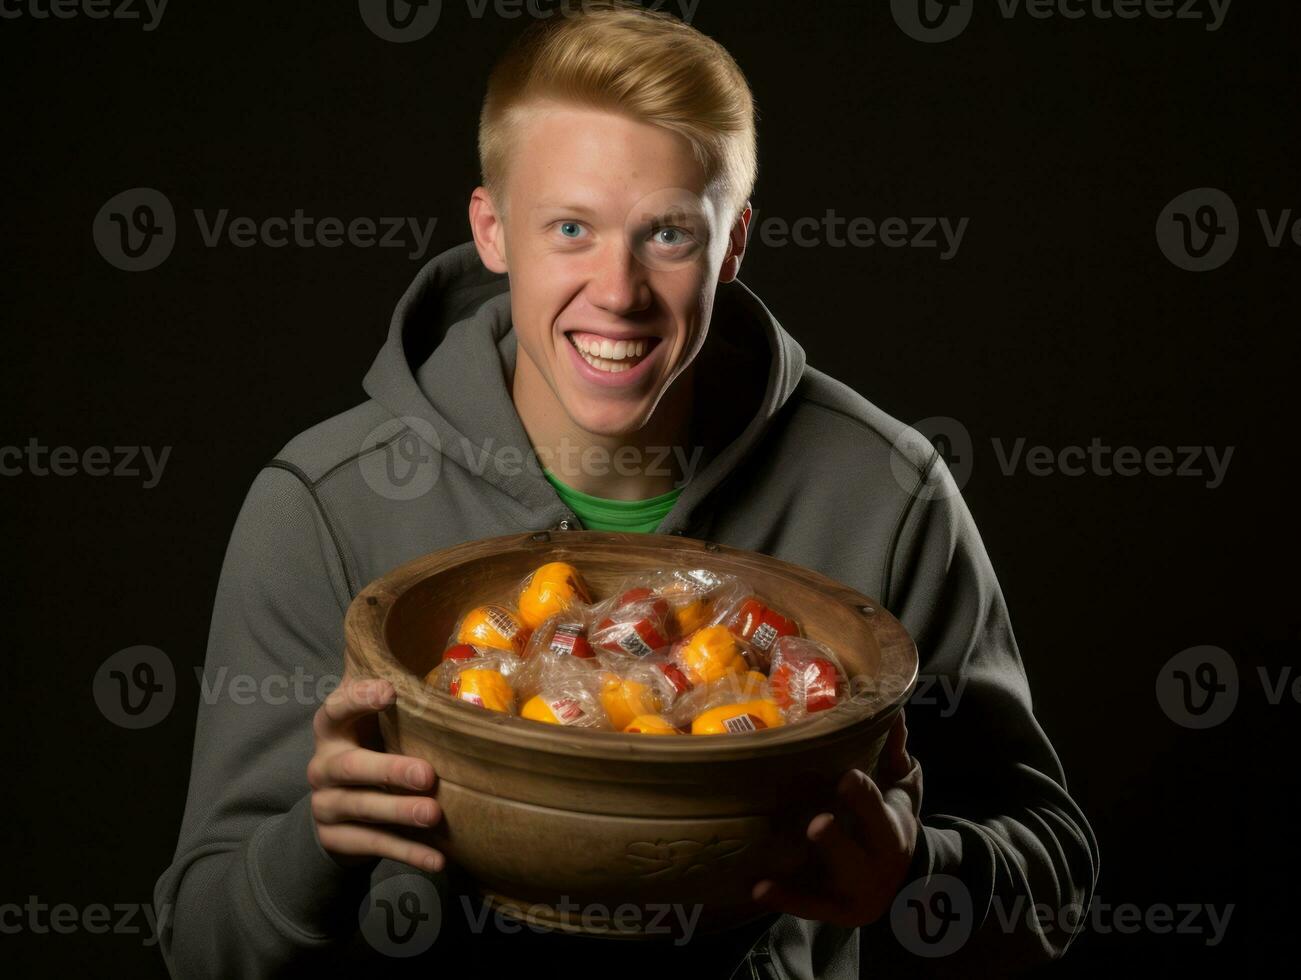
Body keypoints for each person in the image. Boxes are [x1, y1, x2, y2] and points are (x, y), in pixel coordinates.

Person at [154, 2, 1098, 977]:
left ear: (731, 248)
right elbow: (201, 943)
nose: (618, 289)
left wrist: (911, 881)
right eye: (569, 226)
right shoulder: (323, 504)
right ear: (492, 231)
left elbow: (1053, 881)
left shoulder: (881, 491)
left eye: (669, 235)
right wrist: (316, 848)